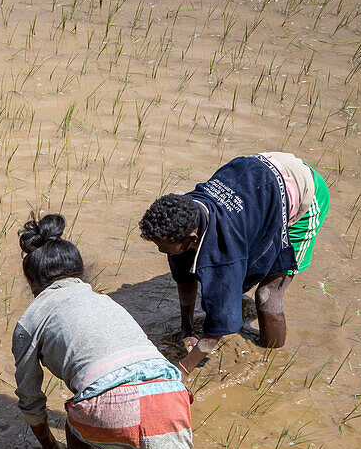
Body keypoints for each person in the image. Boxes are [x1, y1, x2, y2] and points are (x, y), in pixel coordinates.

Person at [12, 215, 218, 449]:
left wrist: (49, 448)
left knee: (74, 427)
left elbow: (30, 397)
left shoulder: (32, 319)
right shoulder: (104, 302)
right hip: (170, 390)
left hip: (112, 402)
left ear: (32, 283)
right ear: (79, 272)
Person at [139, 152, 330, 373]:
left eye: (163, 247)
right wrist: (187, 330)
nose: (161, 251)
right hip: (258, 178)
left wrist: (181, 370)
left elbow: (216, 330)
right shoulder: (185, 214)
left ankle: (273, 361)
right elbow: (185, 277)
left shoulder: (224, 256)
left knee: (268, 294)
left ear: (191, 239)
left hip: (303, 189)